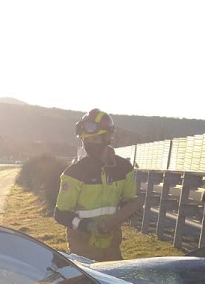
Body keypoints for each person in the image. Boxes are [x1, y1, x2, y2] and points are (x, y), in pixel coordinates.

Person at [54, 109, 144, 261]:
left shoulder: (124, 169)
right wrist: (87, 226)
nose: (90, 144)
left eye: (94, 139)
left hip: (112, 246)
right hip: (82, 248)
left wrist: (128, 211)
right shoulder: (73, 174)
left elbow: (128, 202)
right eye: (86, 140)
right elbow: (61, 214)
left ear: (108, 136)